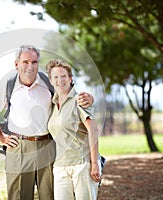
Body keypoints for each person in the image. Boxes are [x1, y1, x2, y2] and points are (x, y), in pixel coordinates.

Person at [0, 45, 94, 200]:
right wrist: (0, 137)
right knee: (19, 196)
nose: (30, 66)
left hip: (47, 147)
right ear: (16, 64)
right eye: (25, 62)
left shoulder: (49, 82)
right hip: (18, 147)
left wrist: (89, 98)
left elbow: (71, 94)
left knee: (49, 195)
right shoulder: (8, 84)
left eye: (34, 62)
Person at [46, 59, 101, 200]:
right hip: (59, 166)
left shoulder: (80, 100)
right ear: (51, 81)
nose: (60, 80)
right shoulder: (51, 104)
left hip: (82, 165)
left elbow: (93, 130)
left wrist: (94, 164)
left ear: (70, 78)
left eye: (63, 76)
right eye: (55, 77)